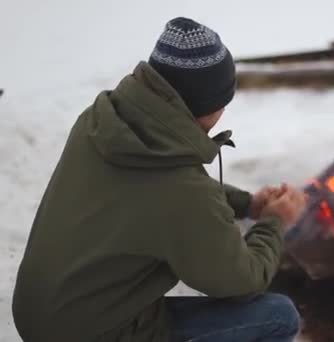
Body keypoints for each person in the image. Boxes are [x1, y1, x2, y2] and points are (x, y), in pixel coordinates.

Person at [12, 17, 306, 342]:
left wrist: (246, 203)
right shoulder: (180, 190)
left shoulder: (100, 122)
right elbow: (241, 281)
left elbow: (162, 191)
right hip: (93, 333)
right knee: (278, 317)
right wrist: (274, 221)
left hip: (43, 313)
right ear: (209, 103)